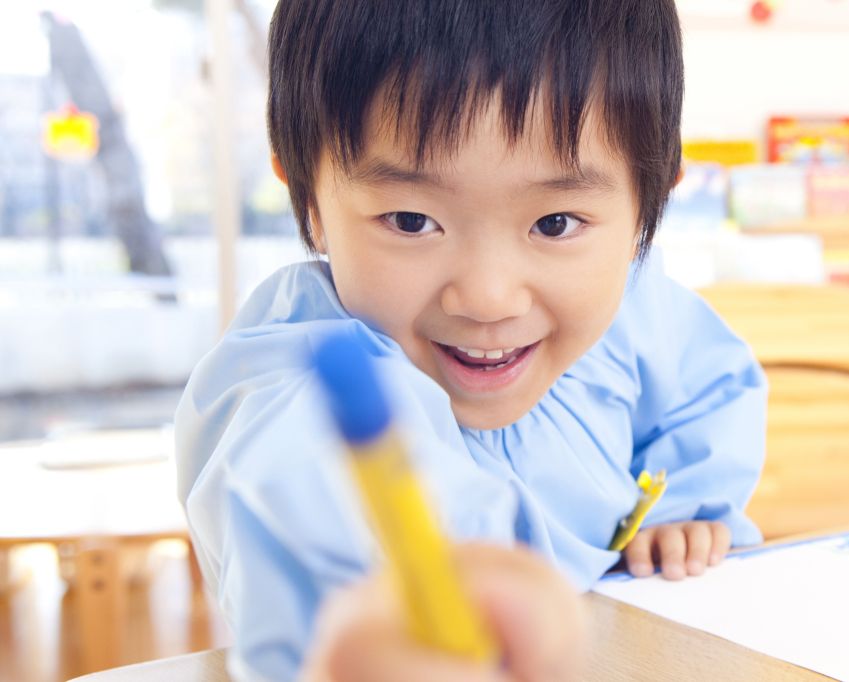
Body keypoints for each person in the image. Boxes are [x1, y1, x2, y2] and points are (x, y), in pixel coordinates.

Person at [175, 1, 767, 679]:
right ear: (308, 195)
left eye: (555, 224)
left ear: (647, 203)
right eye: (410, 219)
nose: (488, 297)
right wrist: (397, 599)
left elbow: (709, 391)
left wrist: (689, 507)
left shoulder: (632, 306)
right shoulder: (306, 371)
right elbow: (294, 482)